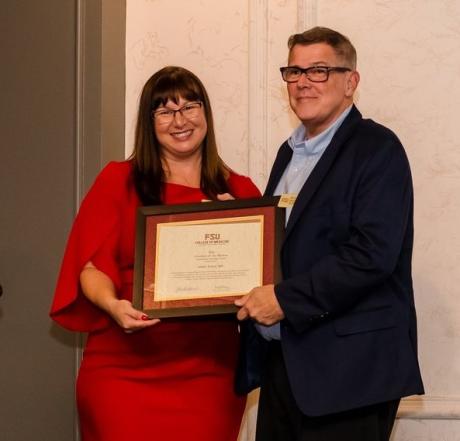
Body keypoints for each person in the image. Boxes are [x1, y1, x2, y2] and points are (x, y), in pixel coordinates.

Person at [50, 66, 261, 441]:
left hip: (209, 373)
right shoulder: (118, 180)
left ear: (205, 113)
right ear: (149, 122)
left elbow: (263, 282)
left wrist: (236, 224)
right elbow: (90, 267)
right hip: (122, 368)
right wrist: (113, 306)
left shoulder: (240, 191)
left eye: (190, 106)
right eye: (165, 111)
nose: (180, 121)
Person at [235, 27, 424, 441]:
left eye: (318, 70)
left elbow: (371, 254)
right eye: (294, 71)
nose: (303, 82)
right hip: (285, 364)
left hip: (350, 375)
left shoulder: (377, 148)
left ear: (350, 82)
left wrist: (283, 300)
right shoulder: (289, 154)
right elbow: (282, 248)